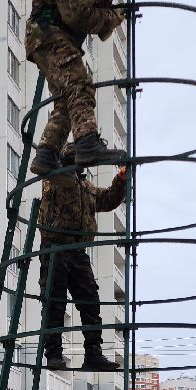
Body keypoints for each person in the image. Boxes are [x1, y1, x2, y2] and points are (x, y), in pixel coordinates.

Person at [26, 0, 140, 176]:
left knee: (68, 101)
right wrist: (110, 18)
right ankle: (87, 143)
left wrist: (110, 18)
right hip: (47, 32)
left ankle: (46, 153)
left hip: (57, 37)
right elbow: (78, 16)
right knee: (79, 84)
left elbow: (98, 27)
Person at [38, 148, 127, 372]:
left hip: (78, 251)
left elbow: (107, 199)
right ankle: (54, 354)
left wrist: (121, 178)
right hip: (55, 248)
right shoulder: (56, 178)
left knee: (90, 302)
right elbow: (66, 159)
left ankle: (93, 354)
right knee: (54, 303)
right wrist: (87, 151)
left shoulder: (84, 187)